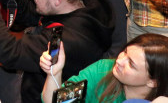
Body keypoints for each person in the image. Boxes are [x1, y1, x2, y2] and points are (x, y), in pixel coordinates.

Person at [40, 34, 168, 103]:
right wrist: (54, 73)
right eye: (124, 52)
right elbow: (56, 101)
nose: (119, 60)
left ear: (153, 82)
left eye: (131, 64)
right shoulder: (103, 69)